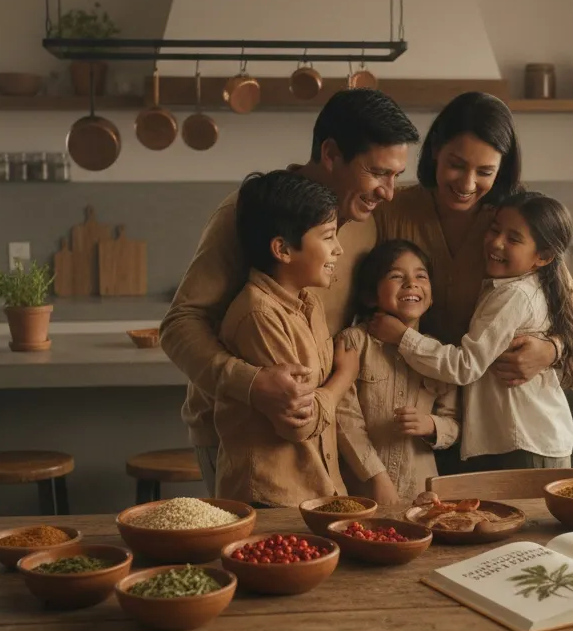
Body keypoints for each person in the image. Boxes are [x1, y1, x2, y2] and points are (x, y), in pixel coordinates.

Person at [161, 89, 419, 495]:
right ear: (331, 153)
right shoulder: (249, 212)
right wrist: (252, 383)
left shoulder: (366, 216)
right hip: (243, 440)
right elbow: (180, 324)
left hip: (319, 428)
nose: (388, 191)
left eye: (396, 176)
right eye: (377, 172)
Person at [373, 91, 573, 471]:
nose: (468, 183)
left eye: (485, 172)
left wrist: (550, 350)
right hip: (415, 406)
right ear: (435, 150)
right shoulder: (396, 209)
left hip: (495, 422)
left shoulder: (514, 217)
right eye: (456, 165)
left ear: (501, 170)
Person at [214, 171, 359, 507]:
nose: (338, 249)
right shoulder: (259, 315)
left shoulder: (309, 302)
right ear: (282, 249)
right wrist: (344, 376)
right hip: (270, 499)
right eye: (327, 237)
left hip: (312, 491)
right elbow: (298, 423)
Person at [336, 240, 459, 504]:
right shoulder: (355, 343)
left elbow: (454, 423)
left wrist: (431, 425)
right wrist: (377, 477)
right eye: (396, 276)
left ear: (432, 294)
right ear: (371, 295)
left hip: (422, 495)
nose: (411, 284)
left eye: (420, 276)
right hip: (360, 492)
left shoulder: (439, 355)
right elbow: (343, 419)